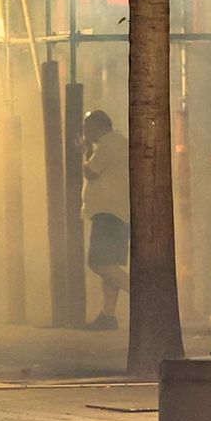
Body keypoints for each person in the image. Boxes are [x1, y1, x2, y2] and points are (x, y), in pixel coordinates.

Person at [80, 110, 130, 331]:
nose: (85, 132)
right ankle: (108, 315)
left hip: (109, 213)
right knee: (109, 264)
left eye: (87, 127)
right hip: (116, 212)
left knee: (99, 262)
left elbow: (91, 172)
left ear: (99, 126)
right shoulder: (118, 143)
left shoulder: (109, 145)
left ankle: (142, 297)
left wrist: (84, 152)